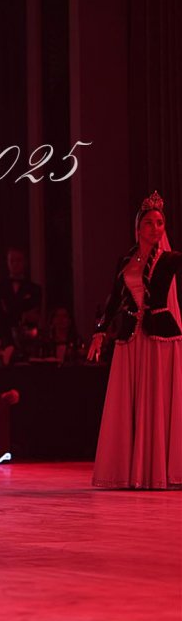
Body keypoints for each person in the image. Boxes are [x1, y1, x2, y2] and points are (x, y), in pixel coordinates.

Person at [88, 191, 181, 490]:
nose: (155, 228)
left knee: (156, 400)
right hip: (131, 338)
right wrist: (100, 331)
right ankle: (131, 470)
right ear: (138, 227)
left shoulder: (170, 260)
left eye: (160, 223)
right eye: (149, 223)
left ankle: (157, 469)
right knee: (130, 403)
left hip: (159, 339)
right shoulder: (126, 260)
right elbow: (114, 300)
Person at [0, 247, 43, 344]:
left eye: (19, 260)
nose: (15, 264)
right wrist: (22, 313)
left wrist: (10, 310)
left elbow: (33, 316)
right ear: (7, 263)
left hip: (27, 338)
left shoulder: (34, 289)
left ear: (25, 262)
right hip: (4, 336)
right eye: (12, 261)